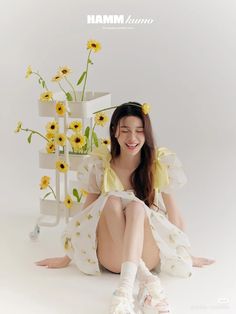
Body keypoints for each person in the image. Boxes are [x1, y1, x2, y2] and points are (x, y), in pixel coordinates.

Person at [36, 102, 215, 314]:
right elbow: (87, 215)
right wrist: (68, 256)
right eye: (125, 131)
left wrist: (185, 255)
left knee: (137, 209)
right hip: (112, 257)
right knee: (111, 201)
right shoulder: (100, 165)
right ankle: (145, 282)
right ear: (114, 132)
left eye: (139, 131)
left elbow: (173, 214)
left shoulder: (158, 164)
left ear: (147, 134)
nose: (133, 138)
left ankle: (124, 291)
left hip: (147, 254)